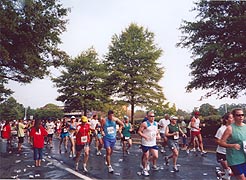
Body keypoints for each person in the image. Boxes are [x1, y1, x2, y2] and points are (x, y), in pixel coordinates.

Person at [219, 108, 246, 180]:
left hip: (244, 157)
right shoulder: (230, 128)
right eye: (238, 115)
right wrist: (232, 145)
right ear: (234, 117)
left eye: (242, 115)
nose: (241, 117)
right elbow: (221, 142)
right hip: (234, 159)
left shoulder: (245, 127)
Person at [138, 111, 161, 176]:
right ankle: (144, 169)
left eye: (153, 116)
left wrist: (158, 135)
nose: (152, 118)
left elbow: (157, 131)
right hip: (145, 143)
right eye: (151, 116)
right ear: (147, 117)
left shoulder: (156, 124)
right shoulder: (144, 124)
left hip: (153, 142)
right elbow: (139, 132)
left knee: (155, 156)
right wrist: (144, 136)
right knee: (146, 155)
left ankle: (146, 162)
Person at [215, 112, 234, 180]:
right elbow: (217, 141)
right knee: (229, 171)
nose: (233, 119)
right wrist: (226, 145)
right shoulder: (221, 129)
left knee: (232, 172)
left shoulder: (234, 128)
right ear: (226, 120)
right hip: (222, 153)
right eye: (231, 118)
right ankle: (223, 175)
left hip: (232, 154)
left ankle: (220, 174)